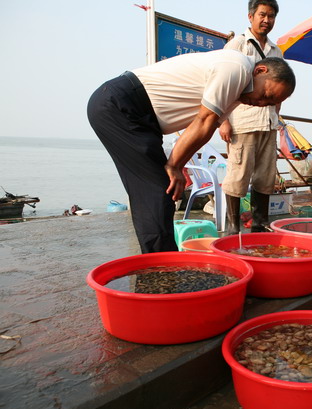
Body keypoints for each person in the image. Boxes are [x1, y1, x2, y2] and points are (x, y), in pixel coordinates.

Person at [87, 50, 296, 253]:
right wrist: (174, 165)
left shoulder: (238, 92)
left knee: (155, 192)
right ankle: (161, 269)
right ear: (260, 71)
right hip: (121, 105)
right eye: (265, 94)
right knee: (158, 191)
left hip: (141, 119)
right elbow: (204, 120)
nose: (259, 103)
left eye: (268, 103)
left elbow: (206, 129)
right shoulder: (236, 68)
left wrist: (177, 164)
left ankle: (160, 264)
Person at [218, 0, 284, 235]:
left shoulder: (277, 51)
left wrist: (277, 115)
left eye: (272, 16)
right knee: (238, 174)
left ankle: (259, 224)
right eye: (262, 15)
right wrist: (223, 121)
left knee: (266, 175)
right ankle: (232, 227)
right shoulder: (237, 45)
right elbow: (221, 83)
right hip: (242, 121)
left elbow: (279, 87)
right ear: (251, 16)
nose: (267, 20)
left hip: (268, 122)